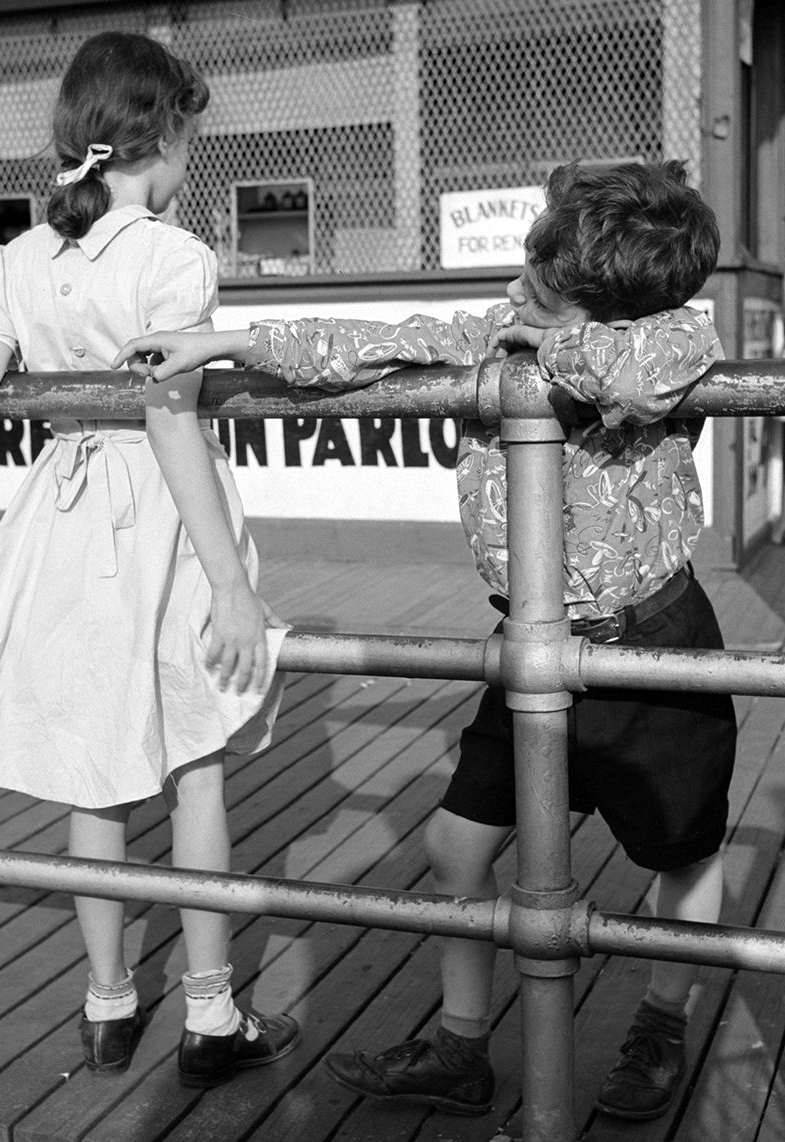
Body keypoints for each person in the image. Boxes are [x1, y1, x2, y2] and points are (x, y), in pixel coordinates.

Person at [114, 160, 736, 1121]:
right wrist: (225, 338)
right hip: (532, 642)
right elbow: (377, 342)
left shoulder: (674, 337)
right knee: (455, 844)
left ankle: (662, 1018)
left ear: (611, 294)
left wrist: (544, 352)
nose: (519, 287)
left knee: (680, 849)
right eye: (530, 263)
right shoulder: (506, 324)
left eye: (545, 279)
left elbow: (641, 383)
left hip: (647, 643)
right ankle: (461, 1043)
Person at [0, 31, 299, 1088]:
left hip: (56, 521)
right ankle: (210, 1013)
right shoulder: (172, 255)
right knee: (193, 761)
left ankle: (108, 1002)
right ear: (157, 135)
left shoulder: (13, 261)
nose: (192, 155)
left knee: (89, 764)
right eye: (190, 134)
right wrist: (236, 585)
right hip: (163, 522)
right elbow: (167, 420)